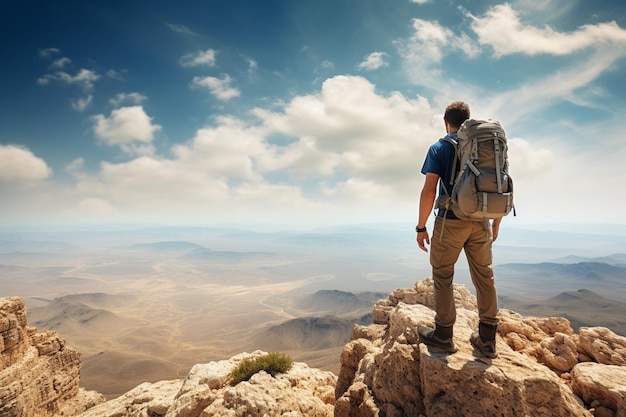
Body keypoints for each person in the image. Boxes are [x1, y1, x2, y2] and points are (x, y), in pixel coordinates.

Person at [415, 101, 501, 358]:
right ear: (467, 121)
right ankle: (487, 340)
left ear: (445, 122)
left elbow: (429, 190)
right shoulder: (485, 147)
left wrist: (421, 227)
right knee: (484, 276)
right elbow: (498, 184)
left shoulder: (439, 148)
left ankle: (443, 335)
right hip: (482, 220)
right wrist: (496, 221)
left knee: (442, 275)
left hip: (450, 221)